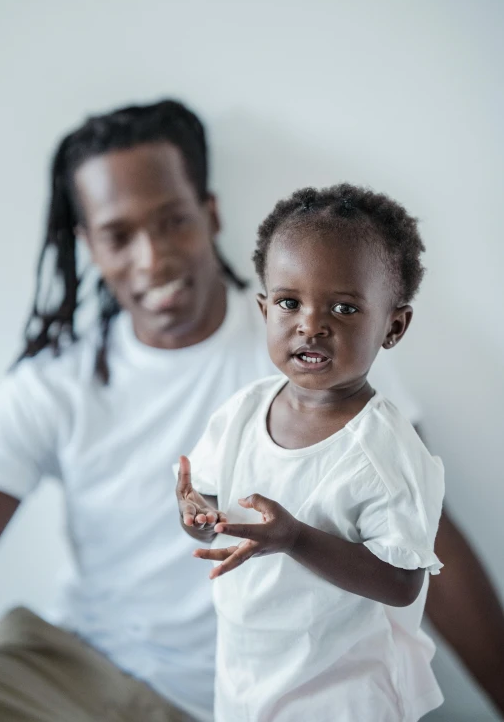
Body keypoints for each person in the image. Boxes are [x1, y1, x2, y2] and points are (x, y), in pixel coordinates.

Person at [0, 100, 502, 721]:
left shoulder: (332, 357)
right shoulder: (54, 385)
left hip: (258, 698)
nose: (152, 259)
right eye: (119, 236)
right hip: (75, 672)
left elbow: (420, 539)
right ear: (88, 246)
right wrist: (196, 515)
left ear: (209, 214)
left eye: (172, 221)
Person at [176, 184, 444, 720]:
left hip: (341, 691)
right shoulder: (242, 413)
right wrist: (194, 513)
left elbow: (401, 582)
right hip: (248, 674)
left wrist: (295, 538)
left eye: (344, 308)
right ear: (264, 309)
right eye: (289, 302)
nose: (311, 324)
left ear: (393, 326)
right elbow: (211, 518)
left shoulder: (385, 452)